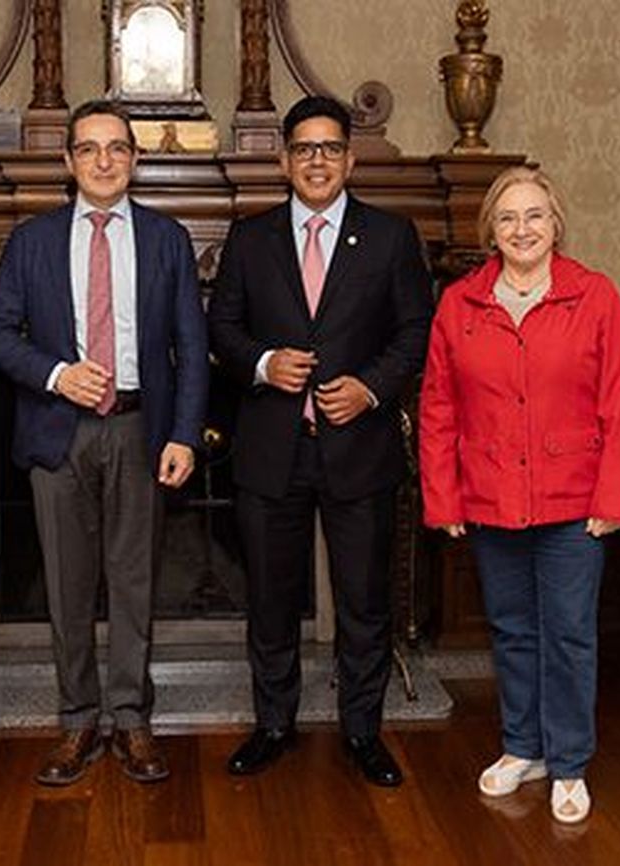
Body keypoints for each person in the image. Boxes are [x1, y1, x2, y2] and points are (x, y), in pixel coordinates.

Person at [208, 95, 433, 788]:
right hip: (271, 450)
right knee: (271, 601)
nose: (317, 161)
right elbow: (222, 328)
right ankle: (274, 725)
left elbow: (416, 332)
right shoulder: (251, 239)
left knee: (363, 602)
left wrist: (370, 388)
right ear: (284, 161)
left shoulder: (391, 237)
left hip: (358, 446)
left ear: (349, 160)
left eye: (329, 148)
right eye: (304, 148)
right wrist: (262, 364)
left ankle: (362, 731)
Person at [0, 100, 209, 786]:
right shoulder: (32, 240)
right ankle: (78, 717)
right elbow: (0, 335)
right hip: (59, 430)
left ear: (134, 160)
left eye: (116, 148)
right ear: (68, 160)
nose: (103, 161)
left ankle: (132, 718)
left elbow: (192, 347)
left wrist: (184, 435)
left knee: (135, 582)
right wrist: (58, 375)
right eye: (88, 148)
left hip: (143, 428)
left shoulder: (167, 239)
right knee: (68, 583)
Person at [418, 166, 620, 822]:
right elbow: (438, 407)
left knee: (568, 634)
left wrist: (614, 499)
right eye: (508, 217)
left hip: (575, 503)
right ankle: (523, 747)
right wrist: (444, 498)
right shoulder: (459, 303)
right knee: (512, 630)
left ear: (556, 224)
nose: (522, 229)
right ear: (491, 230)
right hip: (491, 497)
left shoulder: (594, 296)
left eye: (535, 215)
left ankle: (569, 762)